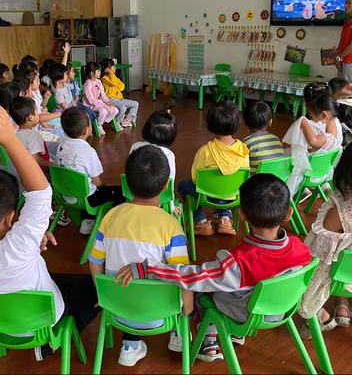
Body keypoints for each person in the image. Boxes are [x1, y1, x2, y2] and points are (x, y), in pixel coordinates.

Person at [0, 102, 99, 362]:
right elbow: (41, 194)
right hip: (39, 325)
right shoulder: (18, 246)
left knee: (51, 276)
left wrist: (31, 240)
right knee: (92, 288)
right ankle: (48, 344)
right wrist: (10, 140)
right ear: (11, 218)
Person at [115, 174, 311, 362]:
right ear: (289, 213)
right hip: (281, 309)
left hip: (247, 314)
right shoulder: (302, 250)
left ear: (241, 213)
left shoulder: (238, 263)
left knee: (203, 293)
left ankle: (208, 338)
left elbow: (193, 277)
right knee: (232, 285)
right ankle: (232, 333)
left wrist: (148, 269)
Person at [89, 145, 192, 367]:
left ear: (126, 184)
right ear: (166, 186)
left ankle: (130, 345)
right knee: (195, 292)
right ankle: (178, 334)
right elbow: (182, 275)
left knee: (130, 286)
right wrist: (187, 310)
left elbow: (95, 260)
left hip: (117, 309)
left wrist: (102, 293)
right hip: (162, 313)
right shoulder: (171, 226)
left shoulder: (110, 217)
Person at [299, 143, 352, 337]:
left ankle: (320, 314)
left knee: (328, 259)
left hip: (342, 278)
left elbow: (318, 254)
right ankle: (342, 304)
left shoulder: (339, 212)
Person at [178, 101, 249, 236]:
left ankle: (200, 221)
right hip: (233, 197)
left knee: (184, 185)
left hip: (207, 197)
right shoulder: (244, 150)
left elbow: (195, 178)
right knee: (227, 185)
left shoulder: (205, 151)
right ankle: (225, 219)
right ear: (237, 124)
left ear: (210, 125)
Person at [57, 107, 124, 235]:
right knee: (119, 192)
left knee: (85, 186)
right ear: (87, 129)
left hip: (64, 195)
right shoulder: (88, 152)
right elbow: (97, 182)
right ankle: (109, 227)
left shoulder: (62, 144)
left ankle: (88, 221)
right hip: (86, 200)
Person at [129, 103, 177, 180]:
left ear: (146, 129)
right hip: (160, 191)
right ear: (171, 136)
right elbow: (170, 180)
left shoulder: (135, 146)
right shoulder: (168, 154)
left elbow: (130, 171)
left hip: (133, 190)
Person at [9, 96, 51, 169]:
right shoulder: (34, 136)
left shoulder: (16, 134)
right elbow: (36, 158)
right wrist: (52, 165)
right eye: (36, 111)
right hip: (38, 174)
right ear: (30, 117)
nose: (38, 114)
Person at [242, 101, 284, 173]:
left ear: (245, 122)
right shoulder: (276, 139)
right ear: (270, 122)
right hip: (278, 180)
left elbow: (242, 166)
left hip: (257, 182)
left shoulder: (245, 143)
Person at [83, 62, 119, 136]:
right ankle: (99, 125)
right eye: (98, 71)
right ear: (91, 73)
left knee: (115, 110)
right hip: (91, 105)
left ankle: (103, 122)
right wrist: (103, 104)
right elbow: (91, 100)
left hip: (100, 103)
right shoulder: (87, 84)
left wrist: (107, 101)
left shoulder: (98, 82)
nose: (100, 72)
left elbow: (103, 94)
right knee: (104, 111)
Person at [101, 58, 139, 128]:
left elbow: (122, 87)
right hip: (111, 99)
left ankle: (127, 121)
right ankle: (117, 122)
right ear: (108, 69)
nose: (115, 67)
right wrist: (111, 74)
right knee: (123, 108)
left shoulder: (114, 77)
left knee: (135, 104)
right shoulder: (104, 78)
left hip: (119, 99)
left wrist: (115, 81)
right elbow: (113, 84)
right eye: (113, 66)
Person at [335, 0, 352, 82]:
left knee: (348, 92)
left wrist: (339, 57)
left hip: (350, 62)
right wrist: (337, 57)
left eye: (349, 3)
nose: (346, 5)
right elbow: (342, 42)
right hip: (342, 61)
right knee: (340, 89)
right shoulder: (347, 22)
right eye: (346, 3)